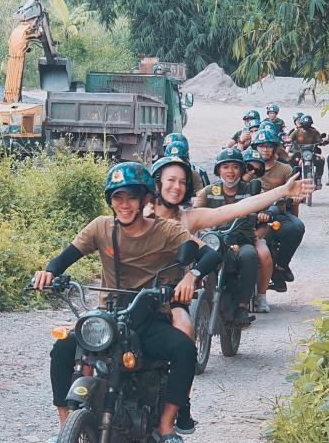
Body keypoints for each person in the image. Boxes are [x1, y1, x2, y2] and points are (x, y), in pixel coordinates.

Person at [33, 162, 222, 443]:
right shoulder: (101, 227)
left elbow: (210, 255)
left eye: (132, 197)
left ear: (145, 199)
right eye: (117, 197)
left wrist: (191, 276)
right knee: (63, 348)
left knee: (184, 349)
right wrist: (49, 272)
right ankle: (65, 426)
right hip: (108, 315)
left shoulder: (167, 230)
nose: (124, 204)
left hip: (149, 316)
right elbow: (65, 257)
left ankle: (167, 426)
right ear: (110, 201)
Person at [192, 148, 260, 325]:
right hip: (213, 241)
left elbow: (265, 205)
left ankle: (243, 306)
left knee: (249, 256)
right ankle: (192, 299)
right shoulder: (207, 191)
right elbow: (195, 214)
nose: (230, 171)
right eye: (225, 167)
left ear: (242, 170)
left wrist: (265, 213)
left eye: (235, 167)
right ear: (218, 170)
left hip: (240, 241)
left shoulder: (250, 190)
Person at [250, 129, 306, 291]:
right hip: (250, 212)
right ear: (255, 148)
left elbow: (295, 191)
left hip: (278, 213)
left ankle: (281, 267)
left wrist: (295, 197)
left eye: (269, 146)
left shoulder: (285, 169)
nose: (265, 149)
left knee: (297, 227)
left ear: (275, 148)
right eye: (261, 146)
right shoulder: (248, 166)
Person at [241, 148, 275, 312]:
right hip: (224, 235)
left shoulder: (260, 193)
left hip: (252, 235)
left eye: (257, 170)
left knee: (264, 255)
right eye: (249, 167)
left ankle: (261, 295)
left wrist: (266, 214)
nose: (252, 172)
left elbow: (270, 210)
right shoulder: (221, 189)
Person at [288, 114, 325, 188]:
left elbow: (319, 140)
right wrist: (286, 141)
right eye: (304, 124)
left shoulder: (315, 132)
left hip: (311, 152)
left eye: (308, 124)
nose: (306, 126)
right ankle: (291, 181)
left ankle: (318, 178)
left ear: (311, 124)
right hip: (298, 152)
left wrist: (322, 142)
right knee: (290, 160)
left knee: (321, 159)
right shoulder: (296, 131)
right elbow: (290, 139)